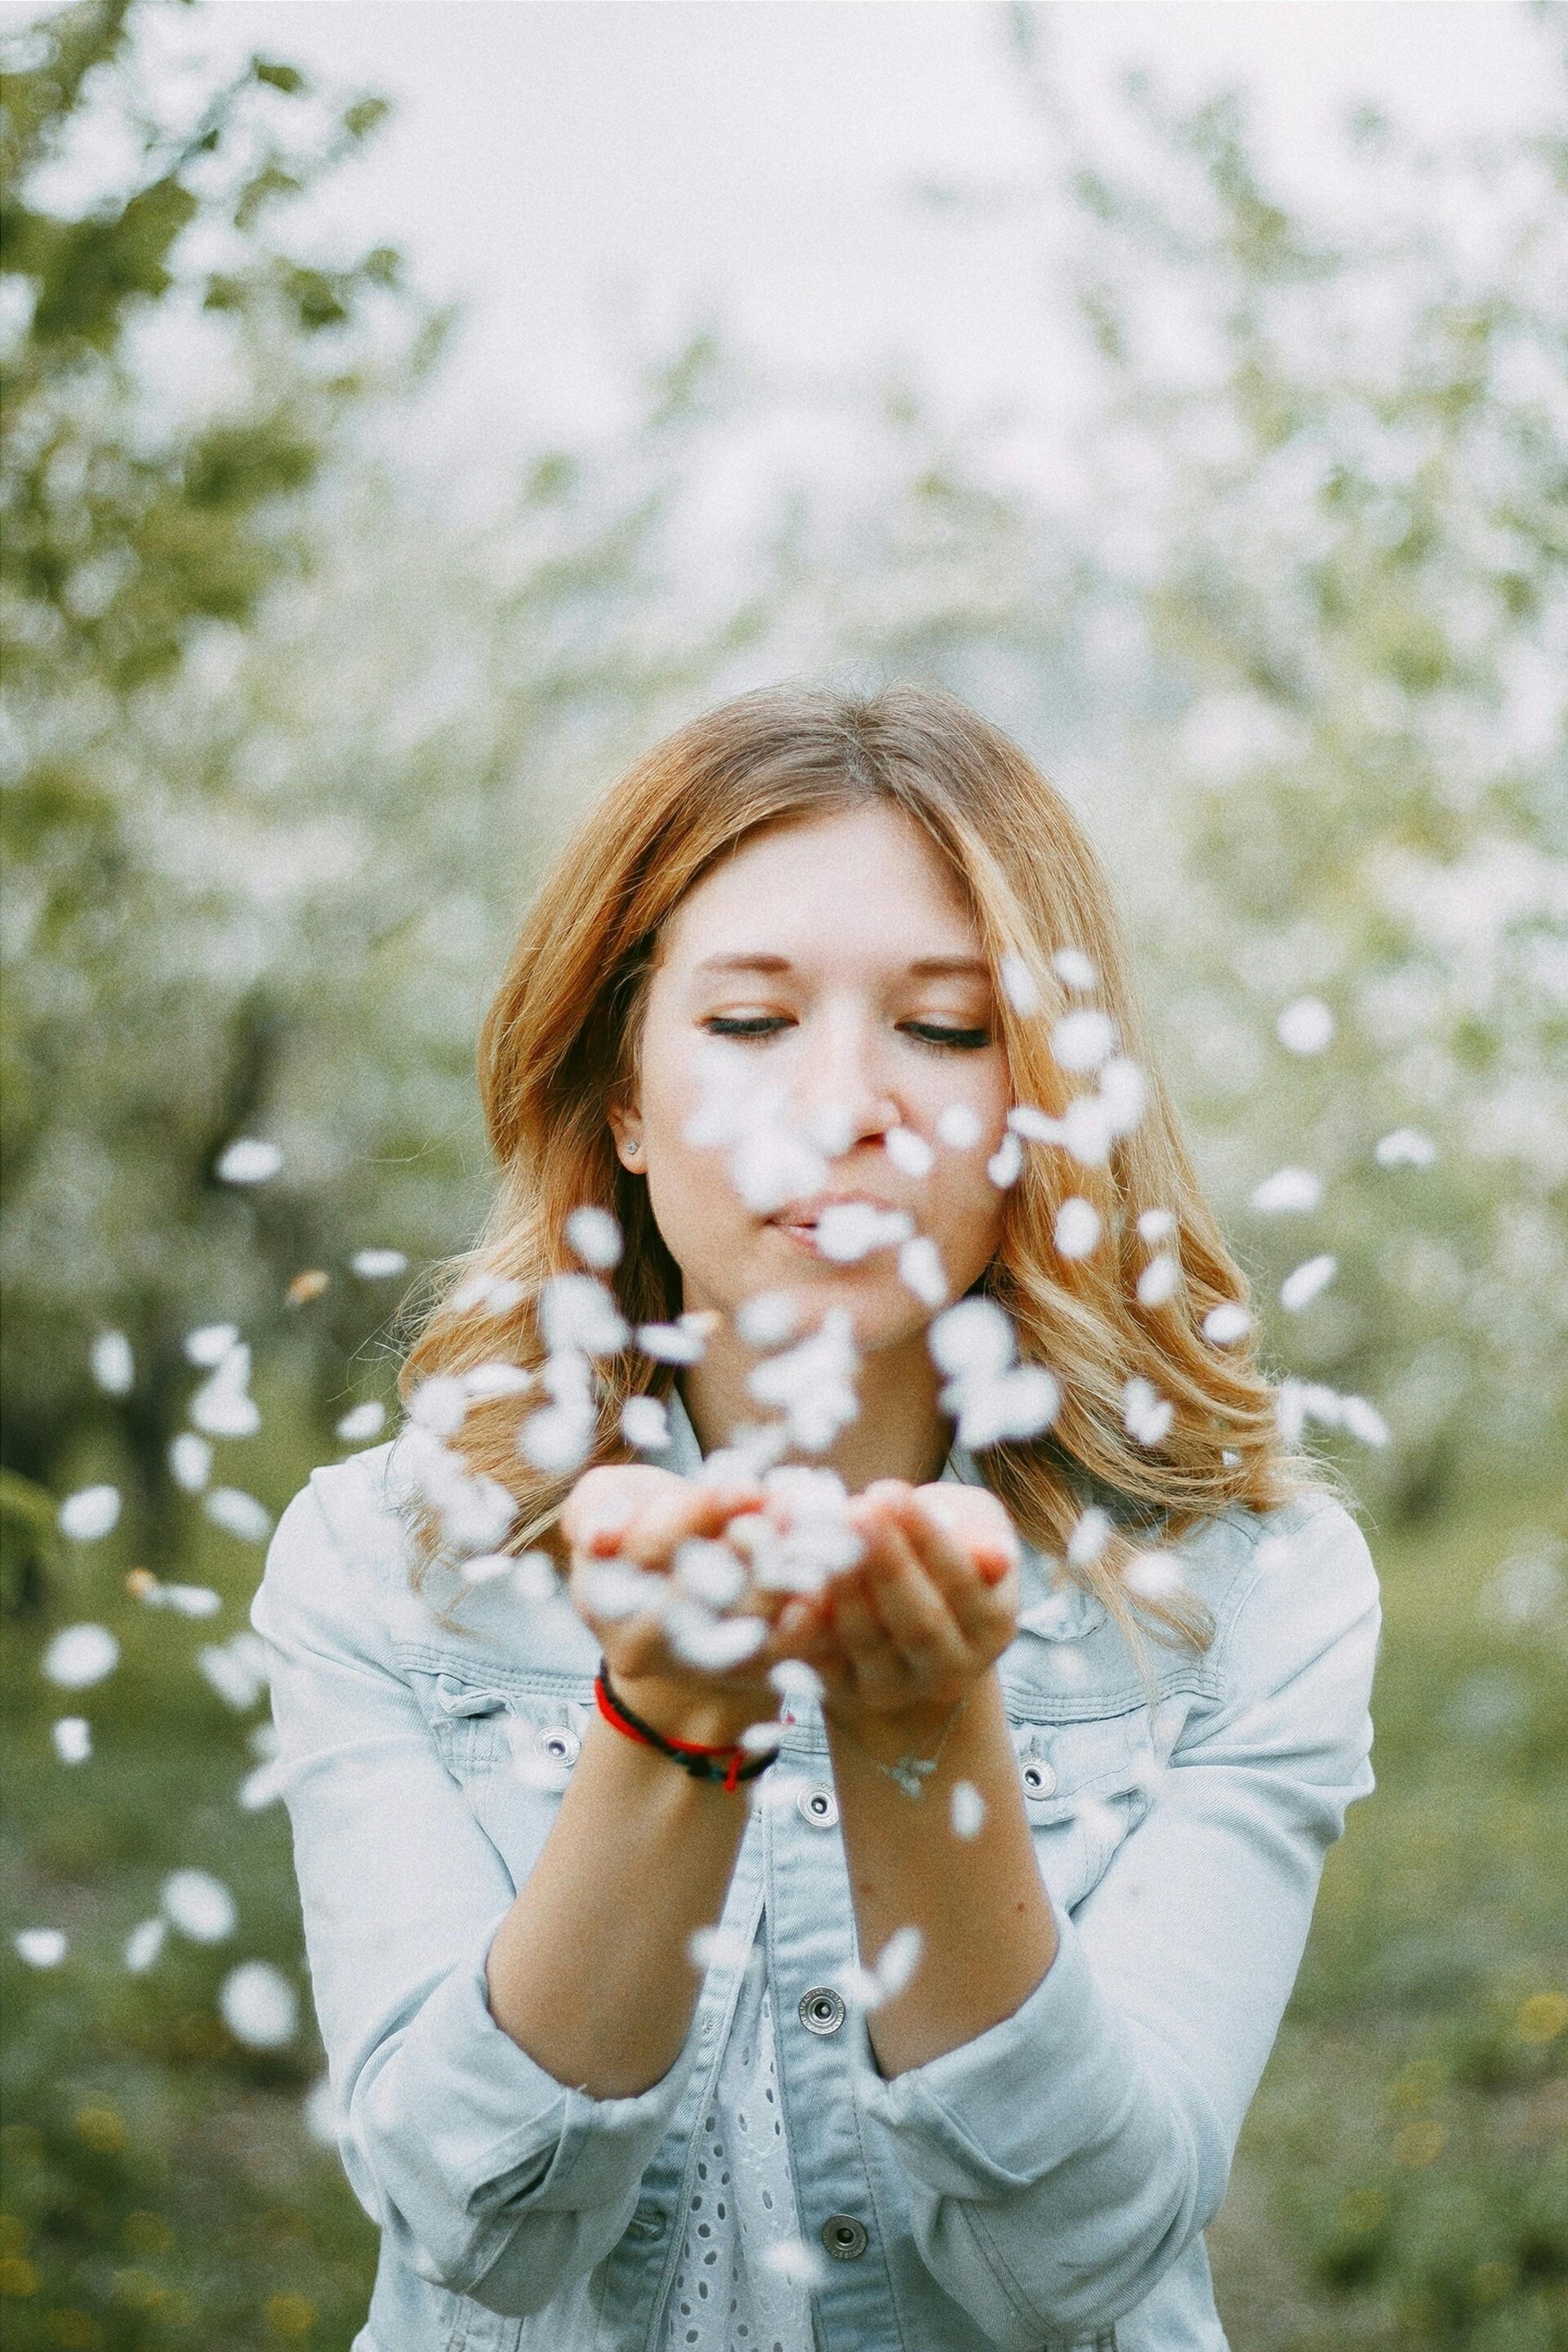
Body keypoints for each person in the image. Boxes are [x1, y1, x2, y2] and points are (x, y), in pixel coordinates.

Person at [252, 681, 1382, 2352]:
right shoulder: (385, 1564)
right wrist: (674, 1727)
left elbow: (1080, 2256)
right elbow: (471, 2222)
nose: (843, 1103)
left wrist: (922, 1742)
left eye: (944, 1029)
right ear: (622, 1095)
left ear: (1045, 1111)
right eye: (750, 1023)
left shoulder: (1245, 1594)